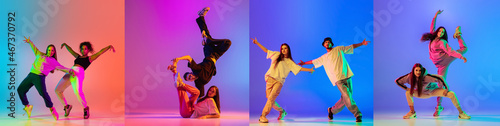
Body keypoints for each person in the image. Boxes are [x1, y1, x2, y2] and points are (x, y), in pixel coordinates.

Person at [298, 37, 370, 122]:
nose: (327, 43)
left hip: (347, 75)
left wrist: (361, 43)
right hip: (338, 79)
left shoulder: (338, 49)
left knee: (346, 98)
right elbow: (314, 61)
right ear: (324, 45)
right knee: (347, 96)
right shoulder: (324, 57)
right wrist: (304, 63)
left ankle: (331, 110)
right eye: (325, 42)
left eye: (329, 42)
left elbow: (351, 47)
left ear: (332, 44)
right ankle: (358, 114)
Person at [169, 7, 231, 98]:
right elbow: (200, 94)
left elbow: (189, 58)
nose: (191, 77)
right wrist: (192, 100)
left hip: (209, 54)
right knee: (227, 42)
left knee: (225, 41)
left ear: (191, 73)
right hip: (216, 56)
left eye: (189, 76)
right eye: (189, 79)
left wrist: (178, 59)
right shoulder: (198, 83)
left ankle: (208, 40)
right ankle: (203, 22)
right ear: (190, 81)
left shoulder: (195, 69)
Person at [251, 38, 315, 123]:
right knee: (270, 100)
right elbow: (266, 50)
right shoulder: (276, 55)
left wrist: (310, 70)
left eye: (285, 48)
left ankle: (263, 116)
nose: (283, 50)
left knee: (271, 99)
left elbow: (299, 68)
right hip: (269, 79)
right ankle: (282, 111)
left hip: (279, 82)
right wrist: (257, 43)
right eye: (282, 48)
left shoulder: (290, 62)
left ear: (288, 50)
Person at [420, 10, 467, 117]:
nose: (440, 33)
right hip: (439, 64)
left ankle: (438, 107)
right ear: (437, 32)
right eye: (439, 31)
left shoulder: (442, 42)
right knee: (440, 83)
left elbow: (450, 51)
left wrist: (461, 56)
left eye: (442, 32)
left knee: (464, 49)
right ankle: (439, 107)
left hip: (445, 60)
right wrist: (435, 16)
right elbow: (432, 26)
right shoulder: (433, 37)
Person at [55, 42, 115, 119]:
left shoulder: (89, 58)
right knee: (57, 90)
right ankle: (67, 106)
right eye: (82, 49)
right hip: (71, 71)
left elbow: (100, 52)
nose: (83, 50)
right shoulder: (78, 57)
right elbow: (71, 51)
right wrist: (65, 45)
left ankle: (86, 108)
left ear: (88, 50)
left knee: (77, 91)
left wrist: (109, 46)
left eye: (85, 49)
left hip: (79, 72)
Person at [18, 36, 73, 120]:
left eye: (52, 50)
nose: (50, 52)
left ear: (54, 52)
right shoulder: (40, 54)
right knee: (20, 89)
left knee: (43, 93)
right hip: (31, 75)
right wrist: (30, 42)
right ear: (47, 50)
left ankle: (52, 109)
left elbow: (62, 67)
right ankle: (27, 106)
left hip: (39, 77)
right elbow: (34, 49)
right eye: (49, 50)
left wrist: (70, 71)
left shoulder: (53, 61)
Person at [395, 63, 470, 119]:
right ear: (413, 70)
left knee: (451, 94)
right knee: (408, 92)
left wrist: (447, 89)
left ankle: (461, 113)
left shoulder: (427, 77)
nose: (418, 72)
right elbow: (398, 81)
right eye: (416, 70)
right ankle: (412, 113)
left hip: (433, 91)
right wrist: (407, 88)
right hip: (421, 93)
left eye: (420, 70)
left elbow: (440, 78)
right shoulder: (409, 77)